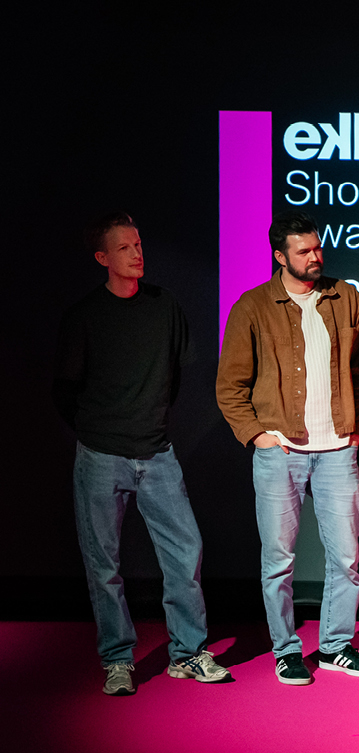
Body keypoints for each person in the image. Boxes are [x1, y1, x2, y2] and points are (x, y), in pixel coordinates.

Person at [54, 211, 232, 695]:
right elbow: (64, 389)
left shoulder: (164, 305)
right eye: (124, 248)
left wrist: (148, 423)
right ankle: (117, 660)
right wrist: (99, 432)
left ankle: (188, 653)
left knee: (185, 552)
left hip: (156, 454)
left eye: (138, 244)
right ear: (102, 258)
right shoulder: (85, 315)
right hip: (101, 455)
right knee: (104, 565)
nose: (137, 254)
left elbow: (175, 377)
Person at [216, 210, 359, 685]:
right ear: (279, 256)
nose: (315, 256)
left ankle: (335, 646)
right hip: (281, 450)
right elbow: (230, 386)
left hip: (338, 450)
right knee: (279, 561)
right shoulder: (253, 306)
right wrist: (259, 435)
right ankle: (286, 651)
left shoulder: (346, 298)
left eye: (317, 247)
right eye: (304, 251)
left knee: (346, 558)